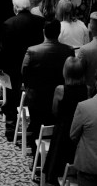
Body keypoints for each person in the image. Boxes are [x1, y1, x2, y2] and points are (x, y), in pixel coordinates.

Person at [21, 18, 74, 147]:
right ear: (59, 32)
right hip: (60, 98)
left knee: (36, 124)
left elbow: (24, 72)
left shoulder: (32, 51)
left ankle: (34, 147)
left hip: (36, 98)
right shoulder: (69, 50)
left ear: (44, 31)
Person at [0, 0, 44, 137]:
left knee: (12, 97)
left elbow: (5, 50)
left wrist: (1, 67)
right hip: (35, 67)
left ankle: (11, 127)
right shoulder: (40, 21)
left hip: (14, 67)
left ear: (15, 8)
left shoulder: (9, 23)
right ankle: (33, 128)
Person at [43, 56, 88, 186]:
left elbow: (54, 111)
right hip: (80, 129)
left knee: (59, 155)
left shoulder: (60, 90)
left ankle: (55, 178)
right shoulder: (88, 89)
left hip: (63, 129)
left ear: (65, 72)